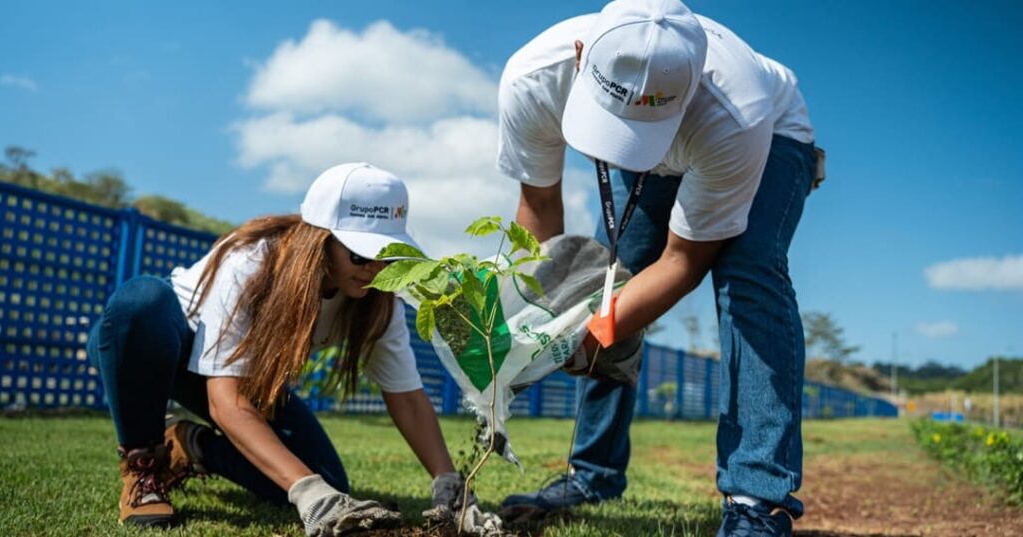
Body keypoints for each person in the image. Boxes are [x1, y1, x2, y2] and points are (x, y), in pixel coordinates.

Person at [495, 0, 817, 535]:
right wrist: (523, 323)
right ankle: (592, 474)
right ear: (581, 57)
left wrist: (588, 335)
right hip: (685, 138)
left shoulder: (735, 113)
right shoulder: (533, 79)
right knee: (603, 282)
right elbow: (539, 208)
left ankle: (756, 500)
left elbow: (683, 260)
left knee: (748, 272)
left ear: (688, 90)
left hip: (770, 138)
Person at [87, 163, 502, 536]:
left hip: (241, 375)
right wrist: (308, 494)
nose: (375, 269)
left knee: (327, 480)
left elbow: (407, 398)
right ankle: (142, 463)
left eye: (389, 256)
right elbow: (225, 401)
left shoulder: (378, 300)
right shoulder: (252, 260)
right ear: (320, 240)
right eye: (361, 254)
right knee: (141, 301)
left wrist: (449, 482)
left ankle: (189, 444)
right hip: (154, 349)